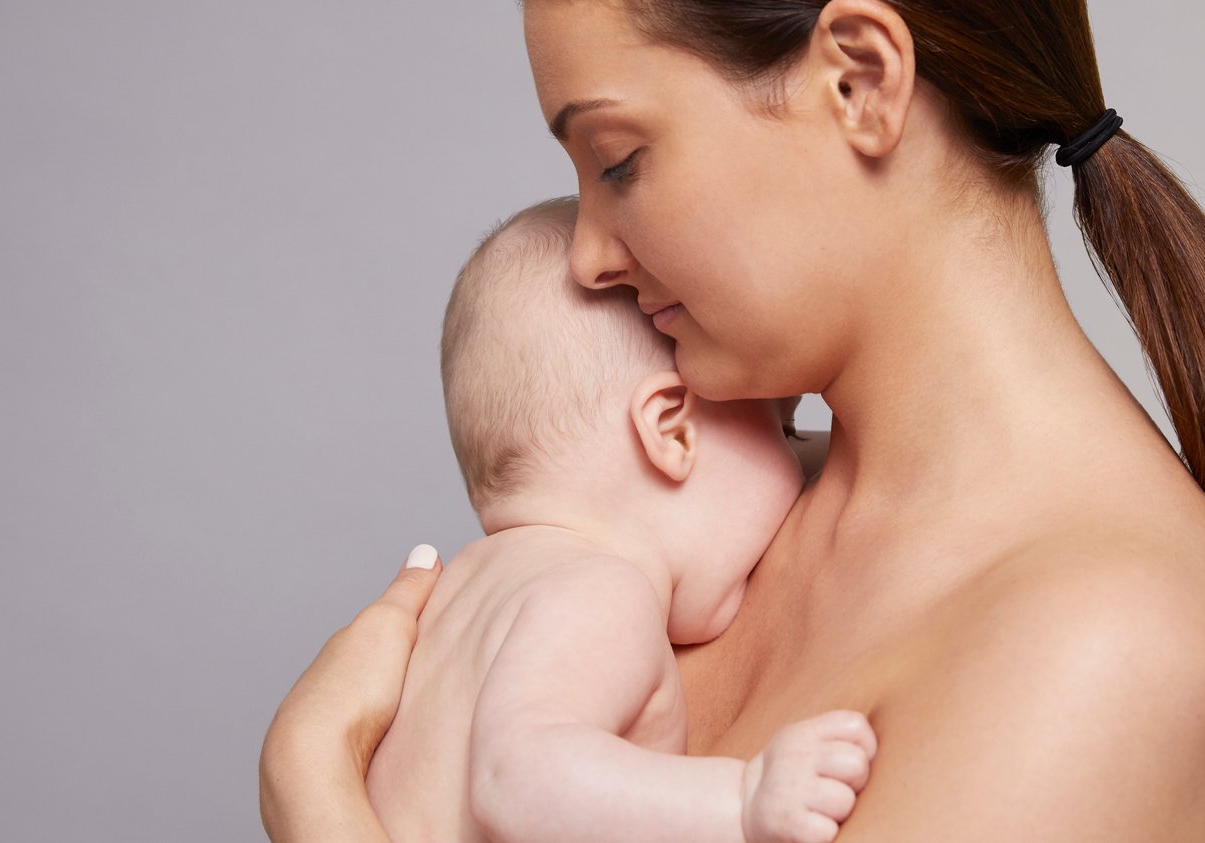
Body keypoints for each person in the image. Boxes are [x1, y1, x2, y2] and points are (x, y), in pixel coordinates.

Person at [260, 0, 1205, 839]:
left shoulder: (1108, 641)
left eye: (617, 160)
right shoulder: (724, 513)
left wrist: (314, 792)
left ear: (857, 80)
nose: (587, 256)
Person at [363, 195, 876, 843]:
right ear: (671, 430)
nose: (803, 470)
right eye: (787, 426)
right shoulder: (601, 591)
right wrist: (741, 798)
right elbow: (513, 782)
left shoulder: (460, 595)